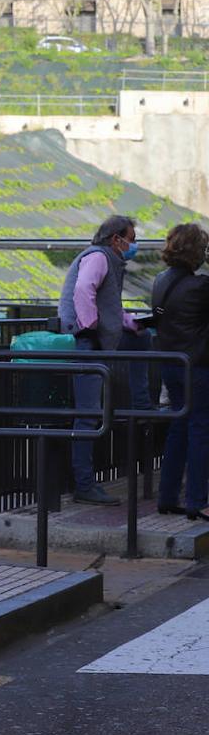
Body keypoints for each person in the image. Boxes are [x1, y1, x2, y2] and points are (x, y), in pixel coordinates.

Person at [57, 215, 154, 506]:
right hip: (87, 342)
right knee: (88, 415)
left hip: (96, 338)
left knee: (141, 339)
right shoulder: (99, 258)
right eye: (132, 240)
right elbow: (83, 290)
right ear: (117, 239)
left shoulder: (110, 261)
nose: (133, 246)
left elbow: (109, 305)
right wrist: (90, 326)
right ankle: (84, 486)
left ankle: (142, 405)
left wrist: (131, 324)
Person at [151, 223, 209, 521]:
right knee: (201, 430)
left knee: (179, 428)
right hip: (197, 367)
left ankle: (167, 497)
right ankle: (198, 500)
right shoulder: (200, 286)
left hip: (171, 365)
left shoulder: (160, 281)